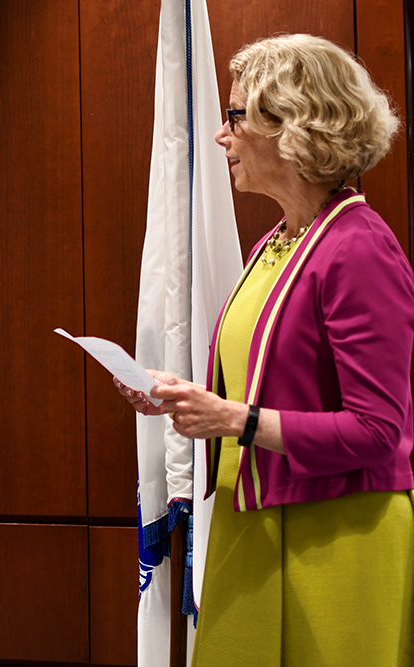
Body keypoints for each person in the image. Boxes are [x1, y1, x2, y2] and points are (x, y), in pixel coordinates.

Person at [116, 34, 413, 665]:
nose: (222, 136)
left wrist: (235, 420)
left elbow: (377, 430)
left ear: (295, 124)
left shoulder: (358, 247)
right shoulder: (277, 243)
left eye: (236, 115)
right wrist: (181, 398)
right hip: (255, 520)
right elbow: (263, 384)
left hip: (335, 537)